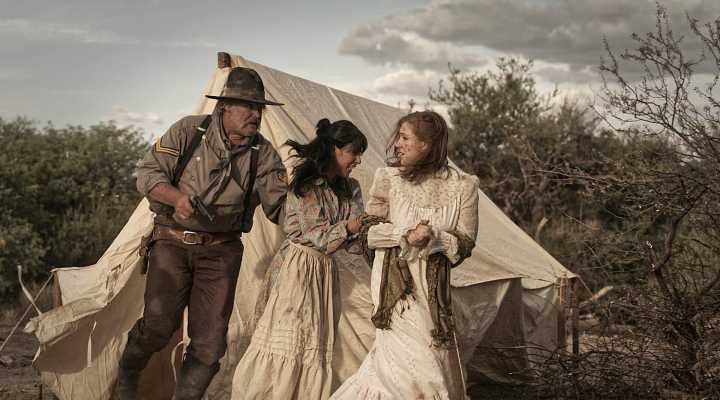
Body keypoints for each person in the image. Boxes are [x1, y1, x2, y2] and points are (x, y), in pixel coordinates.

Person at [115, 67, 288, 400]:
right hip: (171, 243)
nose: (255, 114)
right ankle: (126, 377)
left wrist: (320, 221)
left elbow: (281, 207)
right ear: (225, 106)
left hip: (221, 252)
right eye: (248, 106)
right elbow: (147, 175)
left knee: (210, 345)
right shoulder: (188, 131)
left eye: (259, 108)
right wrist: (176, 198)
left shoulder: (264, 154)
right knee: (158, 326)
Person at [331, 111, 480, 400]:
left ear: (427, 144)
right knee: (407, 376)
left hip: (433, 296)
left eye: (404, 138)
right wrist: (405, 235)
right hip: (394, 293)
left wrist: (434, 238)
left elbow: (465, 243)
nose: (397, 144)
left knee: (430, 368)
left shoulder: (464, 185)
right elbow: (367, 233)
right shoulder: (389, 178)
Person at [231, 118, 368, 400]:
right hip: (298, 269)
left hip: (324, 271)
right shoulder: (307, 187)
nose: (358, 160)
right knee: (288, 339)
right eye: (353, 152)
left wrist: (366, 230)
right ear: (334, 149)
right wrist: (351, 227)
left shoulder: (350, 187)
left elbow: (354, 235)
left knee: (311, 343)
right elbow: (320, 236)